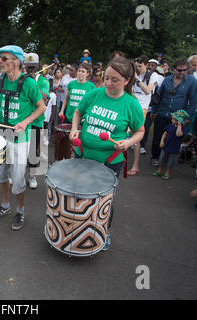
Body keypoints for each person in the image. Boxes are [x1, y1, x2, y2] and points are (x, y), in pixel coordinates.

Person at [69, 56, 145, 250]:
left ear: (127, 81)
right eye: (107, 78)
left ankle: (104, 233)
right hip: (83, 154)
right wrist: (74, 129)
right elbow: (78, 112)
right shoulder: (94, 94)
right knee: (78, 195)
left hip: (109, 161)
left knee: (103, 201)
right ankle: (77, 229)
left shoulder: (131, 104)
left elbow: (140, 131)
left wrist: (128, 142)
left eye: (115, 80)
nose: (108, 83)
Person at [0, 45, 46, 231]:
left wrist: (26, 122)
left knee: (18, 180)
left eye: (4, 58)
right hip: (2, 134)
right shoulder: (1, 79)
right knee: (1, 175)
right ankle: (5, 206)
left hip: (20, 137)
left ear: (17, 62)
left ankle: (20, 210)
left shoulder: (28, 83)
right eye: (0, 58)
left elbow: (41, 107)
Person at [150, 58, 197, 166]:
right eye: (179, 70)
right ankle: (155, 157)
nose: (182, 73)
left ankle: (167, 161)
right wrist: (154, 110)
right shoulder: (167, 79)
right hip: (163, 112)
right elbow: (159, 96)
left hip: (178, 116)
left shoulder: (191, 81)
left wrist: (187, 117)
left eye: (184, 70)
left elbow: (193, 101)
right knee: (158, 137)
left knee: (173, 139)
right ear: (174, 69)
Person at [128, 55, 159, 176]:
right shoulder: (133, 75)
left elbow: (147, 91)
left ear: (146, 65)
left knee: (136, 136)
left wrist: (137, 79)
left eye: (140, 66)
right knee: (125, 132)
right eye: (136, 67)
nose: (138, 69)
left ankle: (135, 166)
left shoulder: (152, 75)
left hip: (143, 109)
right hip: (131, 105)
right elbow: (129, 91)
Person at [24, 52, 50, 189]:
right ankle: (17, 174)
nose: (30, 70)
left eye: (33, 67)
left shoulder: (43, 80)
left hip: (37, 120)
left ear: (38, 66)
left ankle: (32, 175)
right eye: (28, 67)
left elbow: (43, 98)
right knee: (19, 149)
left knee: (34, 150)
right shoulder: (21, 79)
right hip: (23, 120)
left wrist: (33, 82)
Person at [153, 110, 189, 180]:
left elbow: (178, 134)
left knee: (171, 162)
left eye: (174, 119)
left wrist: (179, 125)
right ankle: (159, 170)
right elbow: (165, 134)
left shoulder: (183, 128)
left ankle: (167, 173)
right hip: (166, 146)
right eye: (172, 119)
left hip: (174, 148)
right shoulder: (170, 125)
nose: (172, 120)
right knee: (161, 159)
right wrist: (161, 141)